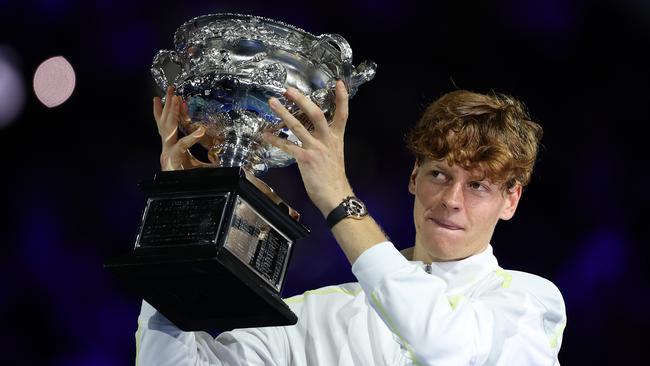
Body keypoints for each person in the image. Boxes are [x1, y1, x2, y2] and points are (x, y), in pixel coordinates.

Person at [136, 82, 566, 365]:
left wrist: (338, 198)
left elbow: (444, 347)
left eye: (478, 186)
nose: (452, 200)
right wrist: (187, 211)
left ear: (511, 200)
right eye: (440, 174)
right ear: (414, 177)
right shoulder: (320, 313)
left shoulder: (530, 304)